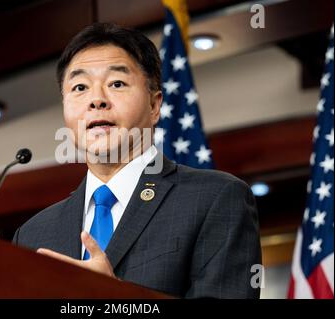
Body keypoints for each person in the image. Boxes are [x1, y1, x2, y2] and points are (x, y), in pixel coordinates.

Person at [13, 23, 262, 298]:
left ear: (154, 105)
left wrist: (114, 296)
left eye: (116, 83)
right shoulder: (33, 234)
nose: (97, 100)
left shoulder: (215, 198)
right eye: (80, 87)